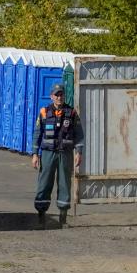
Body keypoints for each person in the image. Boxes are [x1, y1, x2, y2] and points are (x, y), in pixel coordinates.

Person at [30, 84, 83, 228]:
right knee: (44, 183)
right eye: (56, 95)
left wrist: (79, 152)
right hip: (48, 154)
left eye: (61, 95)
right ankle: (41, 217)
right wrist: (35, 154)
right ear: (51, 96)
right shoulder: (44, 112)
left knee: (65, 183)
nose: (59, 97)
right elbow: (37, 134)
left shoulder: (71, 113)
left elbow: (79, 134)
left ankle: (63, 219)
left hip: (65, 154)